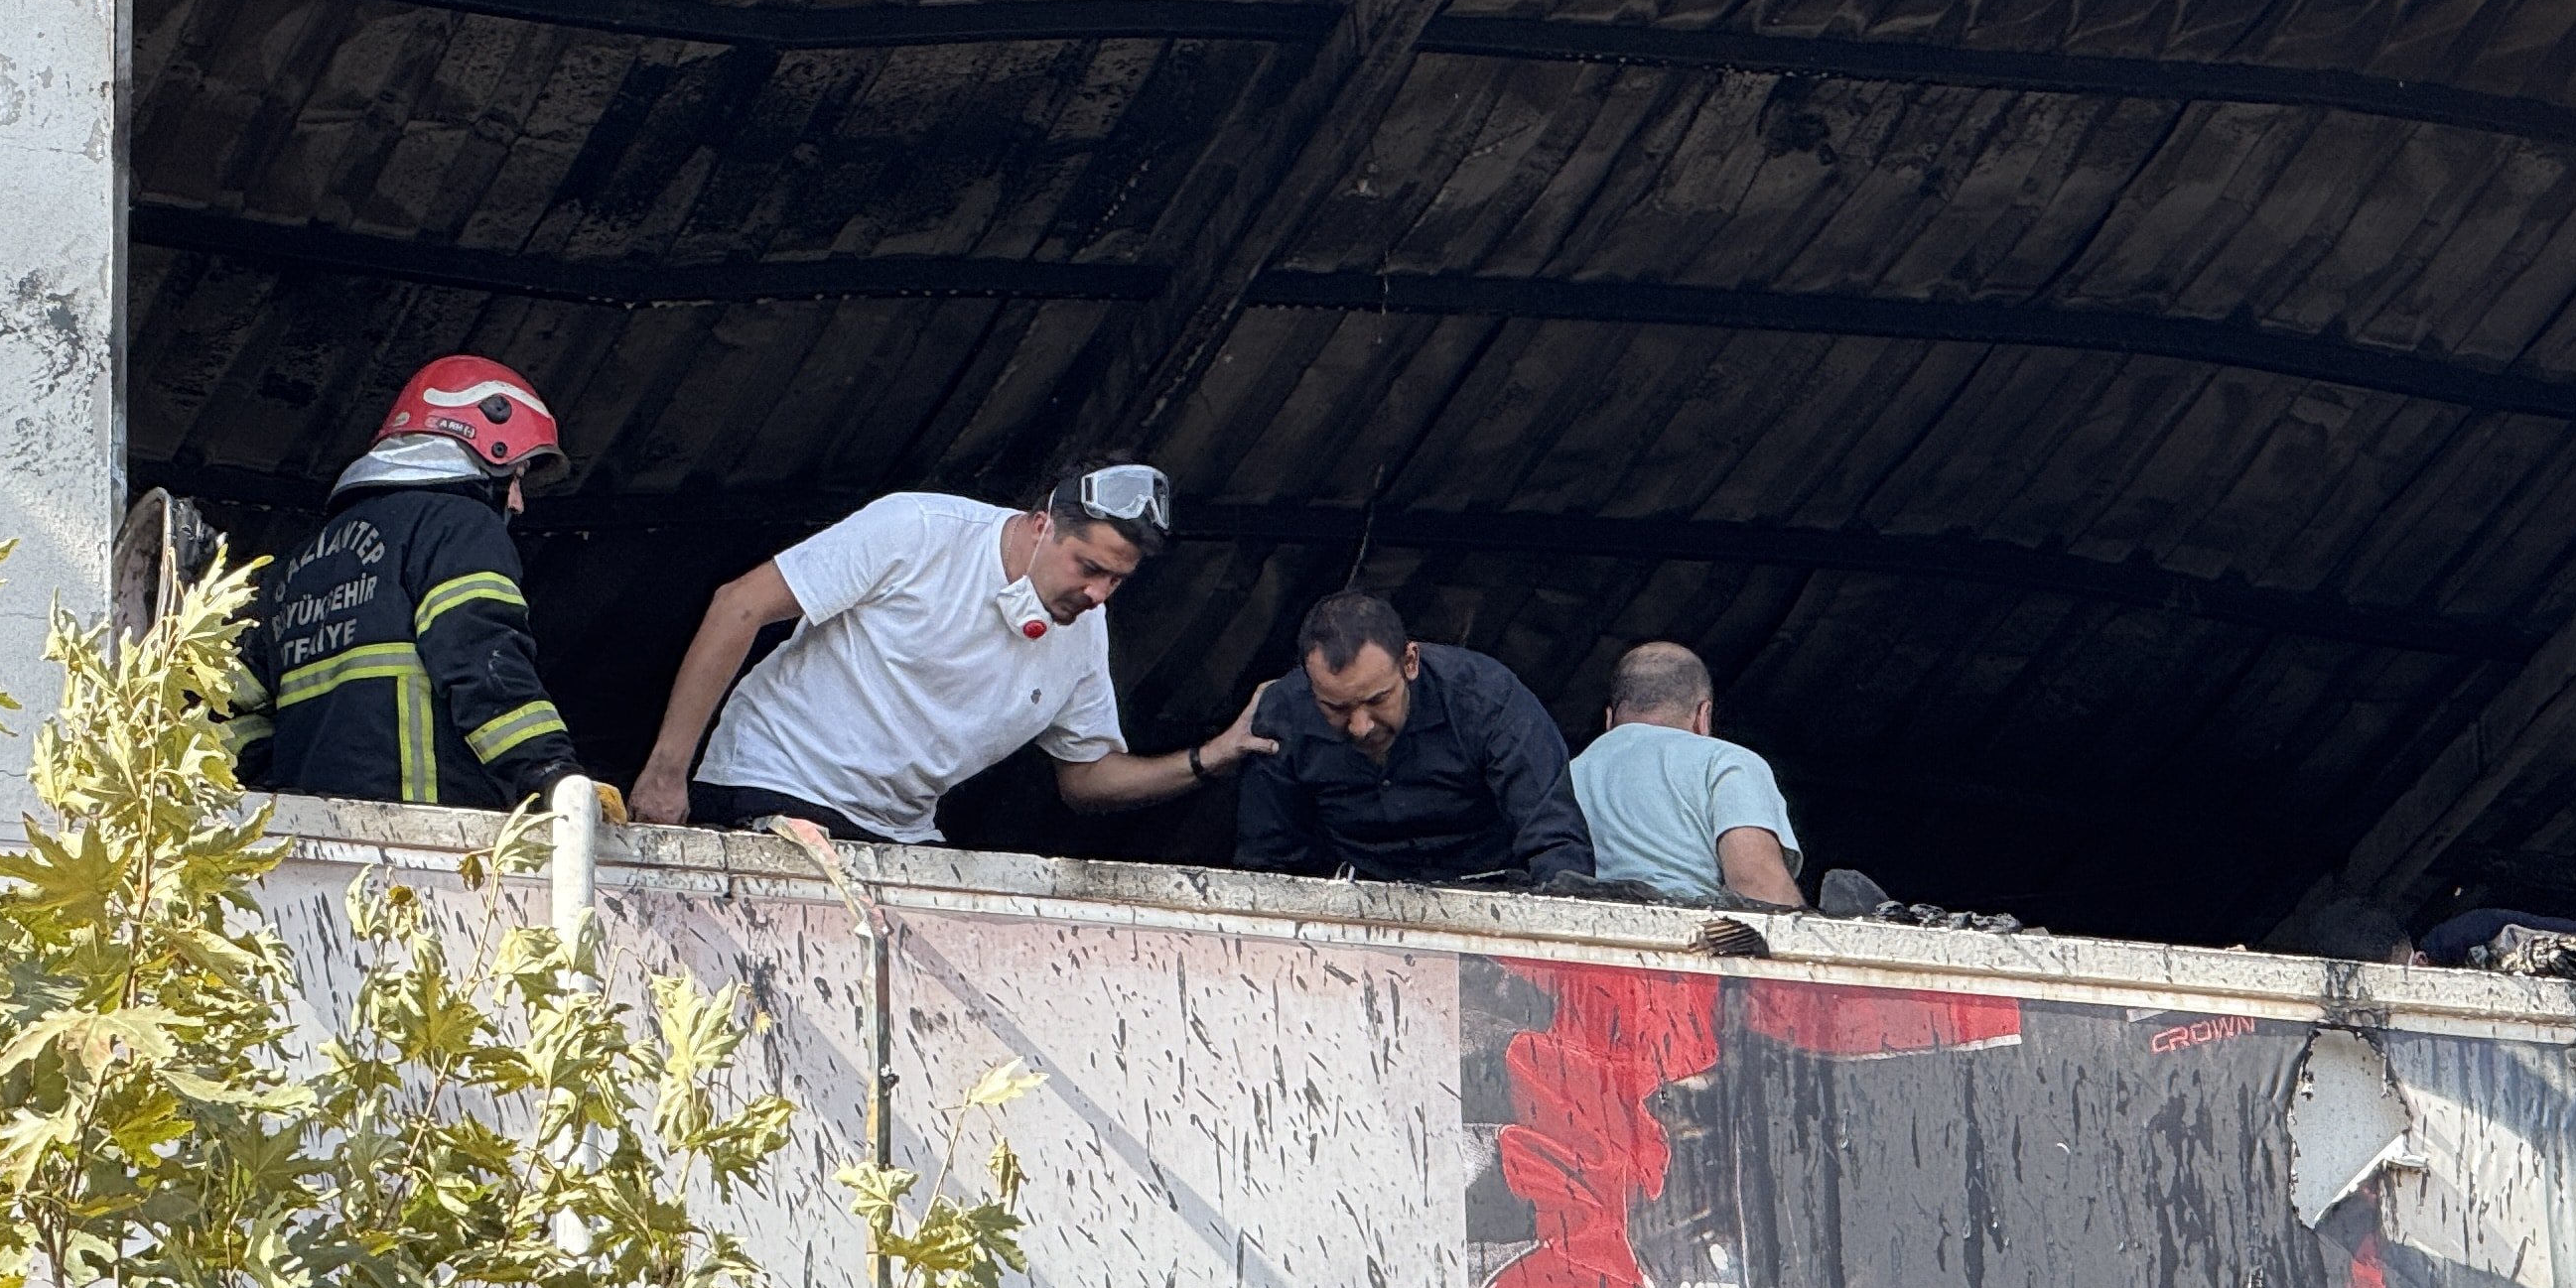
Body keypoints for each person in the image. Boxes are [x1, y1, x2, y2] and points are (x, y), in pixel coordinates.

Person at [626, 463, 1269, 846]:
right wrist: (664, 772)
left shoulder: (1084, 628)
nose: (1099, 594)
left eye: (1117, 580)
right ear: (1041, 525)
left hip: (901, 832)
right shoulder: (919, 529)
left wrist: (1211, 756)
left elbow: (1086, 778)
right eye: (1088, 567)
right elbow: (739, 605)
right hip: (774, 784)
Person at [231, 355, 578, 813]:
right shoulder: (457, 527)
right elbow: (481, 658)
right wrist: (553, 775)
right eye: (518, 477)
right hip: (427, 840)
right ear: (487, 446)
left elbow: (226, 706)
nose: (518, 503)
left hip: (301, 839)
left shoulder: (294, 567)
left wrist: (277, 795)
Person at [1232, 591, 1594, 888]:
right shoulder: (1284, 714)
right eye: (1335, 707)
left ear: (1410, 662)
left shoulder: (1487, 699)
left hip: (1493, 896)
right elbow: (1267, 863)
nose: (1360, 726)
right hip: (1352, 907)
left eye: (1378, 700)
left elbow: (1554, 843)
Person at [1566, 641, 1801, 908]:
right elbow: (1758, 888)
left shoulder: (1568, 774)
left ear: (1609, 719)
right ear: (1703, 715)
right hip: (1692, 930)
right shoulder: (1726, 762)